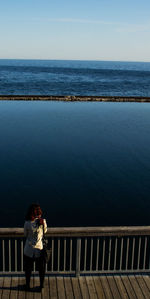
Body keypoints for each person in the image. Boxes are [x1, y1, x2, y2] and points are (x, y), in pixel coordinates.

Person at [24, 203, 47, 291]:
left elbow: (25, 234)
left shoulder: (27, 223)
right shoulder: (43, 221)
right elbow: (45, 231)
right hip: (39, 249)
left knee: (28, 269)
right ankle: (41, 286)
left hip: (28, 250)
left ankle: (27, 286)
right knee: (41, 269)